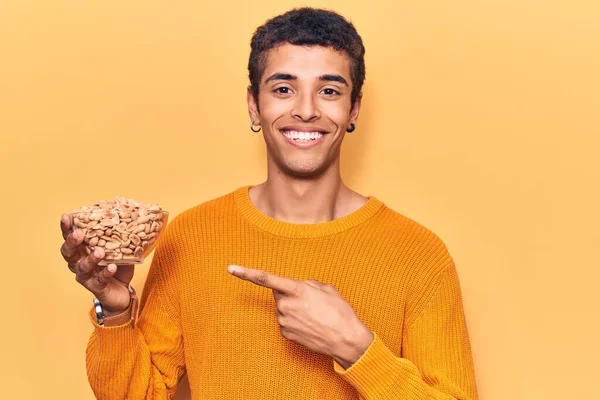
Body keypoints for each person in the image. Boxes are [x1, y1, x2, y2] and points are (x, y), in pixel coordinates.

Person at [60, 7, 478, 400]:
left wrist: (356, 349)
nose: (306, 110)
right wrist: (115, 312)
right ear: (253, 104)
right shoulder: (191, 236)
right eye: (283, 88)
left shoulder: (419, 254)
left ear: (354, 110)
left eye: (329, 90)